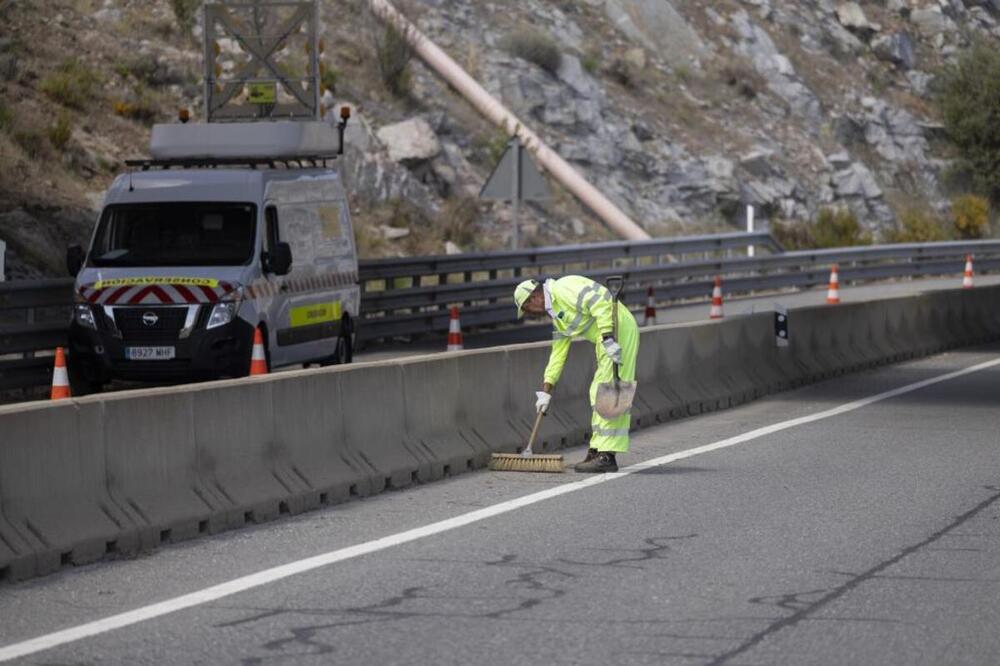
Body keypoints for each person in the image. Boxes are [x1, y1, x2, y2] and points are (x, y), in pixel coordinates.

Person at [513, 276, 639, 472]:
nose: (531, 313)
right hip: (606, 339)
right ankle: (598, 450)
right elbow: (558, 353)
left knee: (609, 391)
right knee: (598, 392)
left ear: (534, 298)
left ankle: (607, 455)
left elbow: (601, 302)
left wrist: (607, 337)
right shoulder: (557, 316)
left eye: (527, 309)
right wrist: (547, 388)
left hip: (617, 331)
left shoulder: (564, 288)